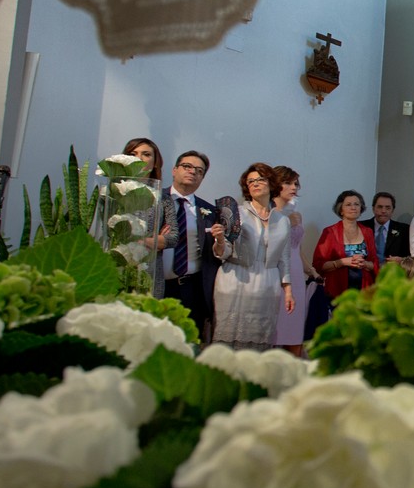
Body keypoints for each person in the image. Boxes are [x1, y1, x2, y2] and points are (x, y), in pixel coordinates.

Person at [210, 163, 296, 351]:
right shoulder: (237, 213)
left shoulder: (282, 220)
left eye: (260, 179)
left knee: (260, 340)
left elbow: (284, 257)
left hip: (268, 282)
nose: (255, 183)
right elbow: (224, 252)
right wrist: (220, 240)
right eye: (250, 181)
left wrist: (288, 290)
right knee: (228, 340)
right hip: (236, 277)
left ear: (271, 184)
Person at [161, 150, 218, 338]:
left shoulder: (209, 211)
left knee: (188, 344)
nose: (193, 172)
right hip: (158, 286)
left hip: (192, 289)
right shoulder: (154, 199)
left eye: (199, 171)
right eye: (187, 166)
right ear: (174, 170)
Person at [271, 166, 318, 354]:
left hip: (297, 276)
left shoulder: (297, 214)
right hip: (276, 274)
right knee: (275, 330)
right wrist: (286, 223)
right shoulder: (268, 213)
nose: (294, 187)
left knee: (295, 332)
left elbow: (297, 249)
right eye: (288, 183)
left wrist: (311, 270)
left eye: (296, 184)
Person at [121, 137, 174, 299]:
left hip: (150, 271)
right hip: (119, 266)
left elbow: (173, 237)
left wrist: (140, 241)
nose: (139, 158)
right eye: (133, 154)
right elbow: (112, 233)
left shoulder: (164, 198)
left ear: (155, 162)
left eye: (146, 154)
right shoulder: (115, 192)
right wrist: (154, 240)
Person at [314, 190, 380, 299]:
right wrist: (343, 262)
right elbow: (318, 264)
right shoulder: (330, 232)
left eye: (356, 204)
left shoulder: (368, 232)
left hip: (364, 290)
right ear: (341, 210)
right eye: (348, 205)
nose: (353, 207)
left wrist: (364, 263)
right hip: (337, 290)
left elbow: (374, 262)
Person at [358, 191, 410, 262]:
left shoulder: (404, 230)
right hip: (366, 267)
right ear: (373, 208)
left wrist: (401, 260)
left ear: (392, 210)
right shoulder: (361, 227)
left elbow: (411, 258)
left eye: (388, 208)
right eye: (380, 207)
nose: (383, 211)